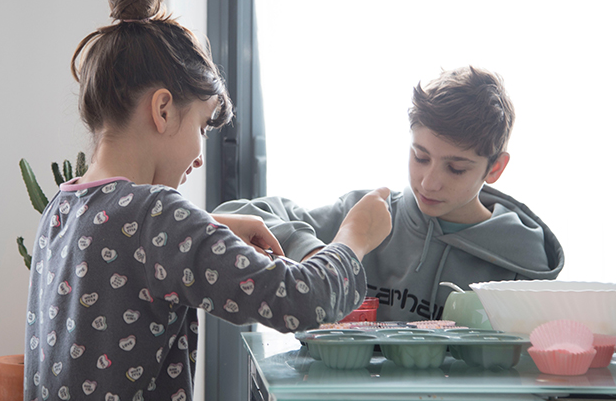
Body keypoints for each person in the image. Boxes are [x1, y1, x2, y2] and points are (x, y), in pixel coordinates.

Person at [23, 0, 393, 401]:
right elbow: (302, 301)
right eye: (201, 126)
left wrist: (208, 224)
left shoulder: (62, 208)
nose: (200, 156)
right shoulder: (156, 217)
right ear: (162, 109)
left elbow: (118, 250)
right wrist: (355, 236)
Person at [214, 66, 564, 322]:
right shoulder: (365, 217)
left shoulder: (523, 264)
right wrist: (315, 251)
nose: (429, 182)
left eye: (456, 168)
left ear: (495, 168)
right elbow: (232, 214)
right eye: (420, 157)